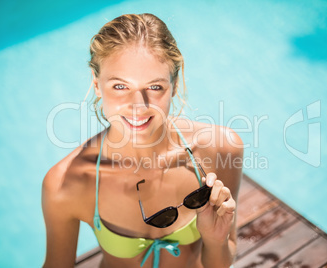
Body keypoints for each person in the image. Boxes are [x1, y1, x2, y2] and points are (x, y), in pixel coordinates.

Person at [42, 13, 243, 268]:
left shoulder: (222, 148)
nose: (138, 105)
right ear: (96, 85)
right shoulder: (66, 184)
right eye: (120, 86)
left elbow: (222, 260)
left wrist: (216, 240)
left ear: (174, 84)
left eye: (155, 87)